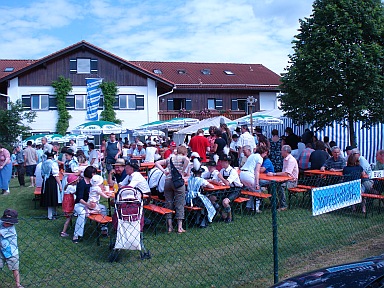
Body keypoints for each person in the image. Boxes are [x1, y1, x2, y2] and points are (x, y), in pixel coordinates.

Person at [155, 146, 189, 234]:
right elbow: (187, 160)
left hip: (168, 181)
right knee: (179, 203)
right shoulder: (182, 157)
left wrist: (164, 171)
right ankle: (179, 227)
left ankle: (170, 227)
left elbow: (157, 163)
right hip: (178, 182)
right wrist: (182, 172)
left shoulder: (169, 158)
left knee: (168, 203)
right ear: (184, 152)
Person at [72, 166, 106, 243]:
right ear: (92, 173)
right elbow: (79, 198)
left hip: (91, 204)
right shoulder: (82, 183)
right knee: (82, 213)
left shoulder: (93, 182)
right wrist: (87, 204)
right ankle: (77, 235)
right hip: (80, 204)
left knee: (103, 208)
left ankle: (104, 229)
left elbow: (99, 190)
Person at [186, 158, 215, 228]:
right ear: (200, 173)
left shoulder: (190, 179)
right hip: (196, 198)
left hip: (188, 198)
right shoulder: (201, 180)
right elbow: (211, 187)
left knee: (206, 202)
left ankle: (197, 220)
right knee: (207, 205)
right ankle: (203, 222)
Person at [268, 145, 299, 211]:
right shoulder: (285, 159)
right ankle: (275, 202)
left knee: (280, 186)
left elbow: (286, 173)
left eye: (281, 150)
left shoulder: (291, 160)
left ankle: (283, 205)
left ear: (285, 151)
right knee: (271, 184)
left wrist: (274, 174)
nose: (280, 152)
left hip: (292, 181)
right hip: (285, 179)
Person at [214, 154, 243, 222]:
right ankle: (223, 215)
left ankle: (229, 217)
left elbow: (227, 183)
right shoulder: (222, 170)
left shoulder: (232, 171)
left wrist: (221, 178)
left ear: (227, 162)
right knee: (212, 199)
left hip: (236, 189)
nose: (220, 163)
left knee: (225, 202)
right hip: (226, 189)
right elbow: (218, 181)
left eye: (222, 161)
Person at [240, 145, 269, 212]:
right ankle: (256, 208)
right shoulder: (260, 158)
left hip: (242, 174)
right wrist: (257, 184)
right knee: (257, 191)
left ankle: (248, 206)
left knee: (251, 191)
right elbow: (257, 171)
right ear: (264, 152)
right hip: (248, 175)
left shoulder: (252, 155)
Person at [0, 209, 23, 288]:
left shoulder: (11, 230)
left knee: (15, 269)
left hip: (12, 253)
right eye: (5, 222)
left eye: (9, 223)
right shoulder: (1, 223)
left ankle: (18, 284)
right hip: (1, 251)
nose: (6, 224)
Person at [40, 151, 63, 220]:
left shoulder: (43, 163)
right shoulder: (53, 163)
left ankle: (51, 214)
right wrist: (60, 185)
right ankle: (52, 214)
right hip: (52, 181)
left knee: (49, 197)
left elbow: (42, 174)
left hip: (46, 181)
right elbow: (56, 175)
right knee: (53, 197)